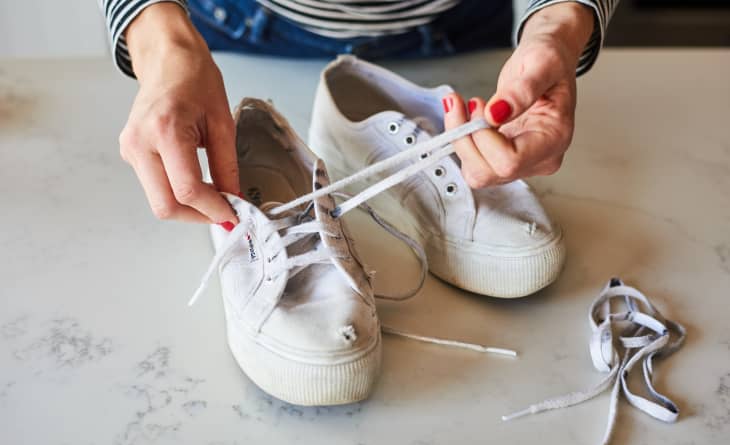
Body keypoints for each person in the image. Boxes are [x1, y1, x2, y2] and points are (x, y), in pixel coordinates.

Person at [99, 0, 617, 227]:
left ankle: (349, 128)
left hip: (468, 25)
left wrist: (556, 24)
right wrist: (161, 43)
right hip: (233, 24)